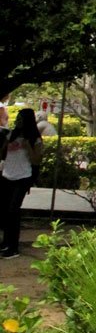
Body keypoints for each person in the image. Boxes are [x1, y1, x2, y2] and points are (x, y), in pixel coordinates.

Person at [1, 108, 44, 257]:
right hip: (7, 176)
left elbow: (37, 160)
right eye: (17, 118)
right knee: (5, 211)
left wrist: (28, 147)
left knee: (13, 210)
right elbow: (3, 154)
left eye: (21, 119)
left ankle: (13, 247)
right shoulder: (11, 135)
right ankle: (5, 242)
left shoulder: (34, 139)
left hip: (23, 177)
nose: (18, 121)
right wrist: (6, 142)